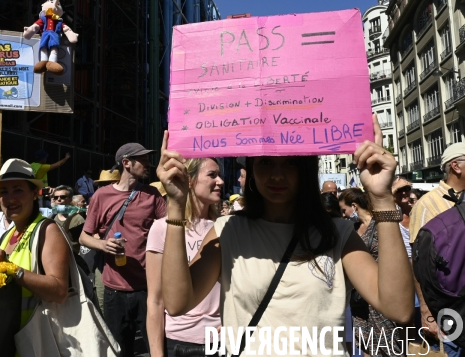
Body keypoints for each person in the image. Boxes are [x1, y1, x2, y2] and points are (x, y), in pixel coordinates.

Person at [157, 115, 413, 357]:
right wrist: (176, 206)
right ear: (252, 169)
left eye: (291, 162)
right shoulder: (228, 230)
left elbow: (398, 309)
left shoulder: (338, 233)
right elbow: (178, 303)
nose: (277, 174)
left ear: (306, 168)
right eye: (266, 162)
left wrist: (382, 199)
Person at [79, 142, 167, 357]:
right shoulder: (101, 196)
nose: (148, 164)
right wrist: (103, 244)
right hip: (114, 290)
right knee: (119, 350)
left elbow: (171, 230)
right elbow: (83, 237)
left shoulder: (153, 194)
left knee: (158, 349)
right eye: (142, 160)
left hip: (149, 288)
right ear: (126, 163)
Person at [146, 158, 222, 357]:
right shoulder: (163, 228)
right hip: (179, 343)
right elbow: (155, 300)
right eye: (212, 175)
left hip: (223, 341)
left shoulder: (226, 227)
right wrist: (156, 354)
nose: (220, 181)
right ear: (189, 180)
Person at [0, 158, 70, 329]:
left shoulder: (47, 230)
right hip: (8, 335)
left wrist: (12, 269)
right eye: (3, 191)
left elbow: (60, 291)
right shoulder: (7, 234)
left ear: (34, 193)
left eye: (18, 190)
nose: (10, 198)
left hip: (37, 340)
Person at [410, 143, 465, 357]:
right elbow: (418, 262)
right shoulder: (427, 204)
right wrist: (426, 312)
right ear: (456, 166)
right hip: (447, 309)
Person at [339, 188, 404, 356]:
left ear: (354, 206)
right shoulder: (351, 228)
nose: (343, 215)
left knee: (390, 345)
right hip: (358, 300)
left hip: (380, 295)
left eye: (344, 210)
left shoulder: (379, 224)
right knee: (366, 345)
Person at [51, 185, 85, 254]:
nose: (59, 199)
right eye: (56, 197)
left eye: (63, 197)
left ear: (70, 200)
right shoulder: (51, 217)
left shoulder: (78, 219)